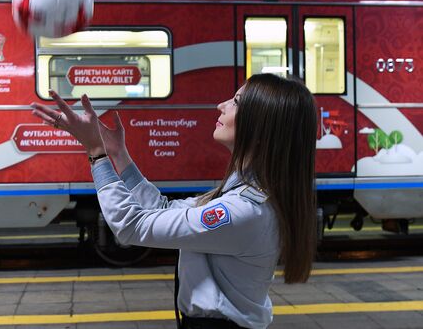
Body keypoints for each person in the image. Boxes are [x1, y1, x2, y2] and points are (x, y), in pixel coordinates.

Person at [30, 73, 318, 329]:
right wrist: (118, 155)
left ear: (260, 129)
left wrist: (96, 153)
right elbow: (163, 210)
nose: (221, 105)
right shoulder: (242, 195)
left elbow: (130, 226)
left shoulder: (242, 211)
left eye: (236, 102)